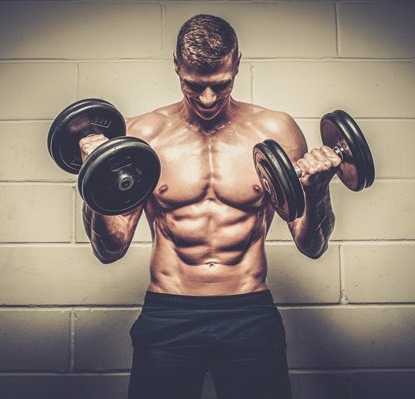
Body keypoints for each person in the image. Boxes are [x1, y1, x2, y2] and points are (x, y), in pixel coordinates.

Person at [80, 14, 340, 399]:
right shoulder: (142, 136)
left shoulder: (276, 131)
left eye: (220, 86)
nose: (206, 99)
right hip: (168, 313)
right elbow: (110, 249)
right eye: (193, 85)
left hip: (249, 313)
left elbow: (311, 245)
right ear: (176, 65)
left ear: (236, 63)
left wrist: (318, 191)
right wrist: (95, 180)